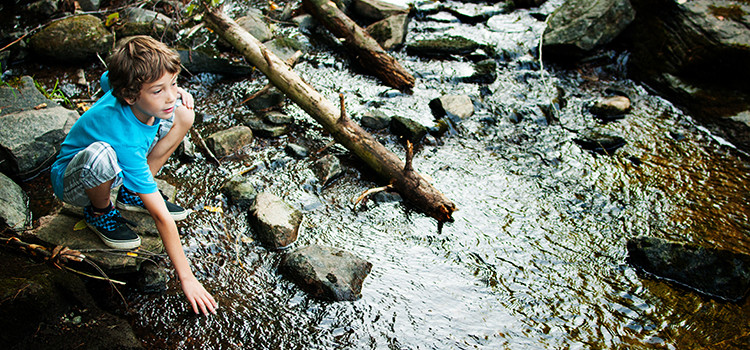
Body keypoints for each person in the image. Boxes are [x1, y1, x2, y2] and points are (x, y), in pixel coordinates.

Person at [50, 35, 217, 315]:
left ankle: (130, 192)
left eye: (173, 84)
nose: (170, 95)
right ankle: (100, 212)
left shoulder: (125, 84)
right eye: (157, 91)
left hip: (114, 160)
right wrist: (187, 278)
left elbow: (106, 78)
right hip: (73, 178)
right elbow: (161, 217)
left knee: (183, 114)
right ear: (129, 95)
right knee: (102, 155)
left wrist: (171, 91)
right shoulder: (125, 139)